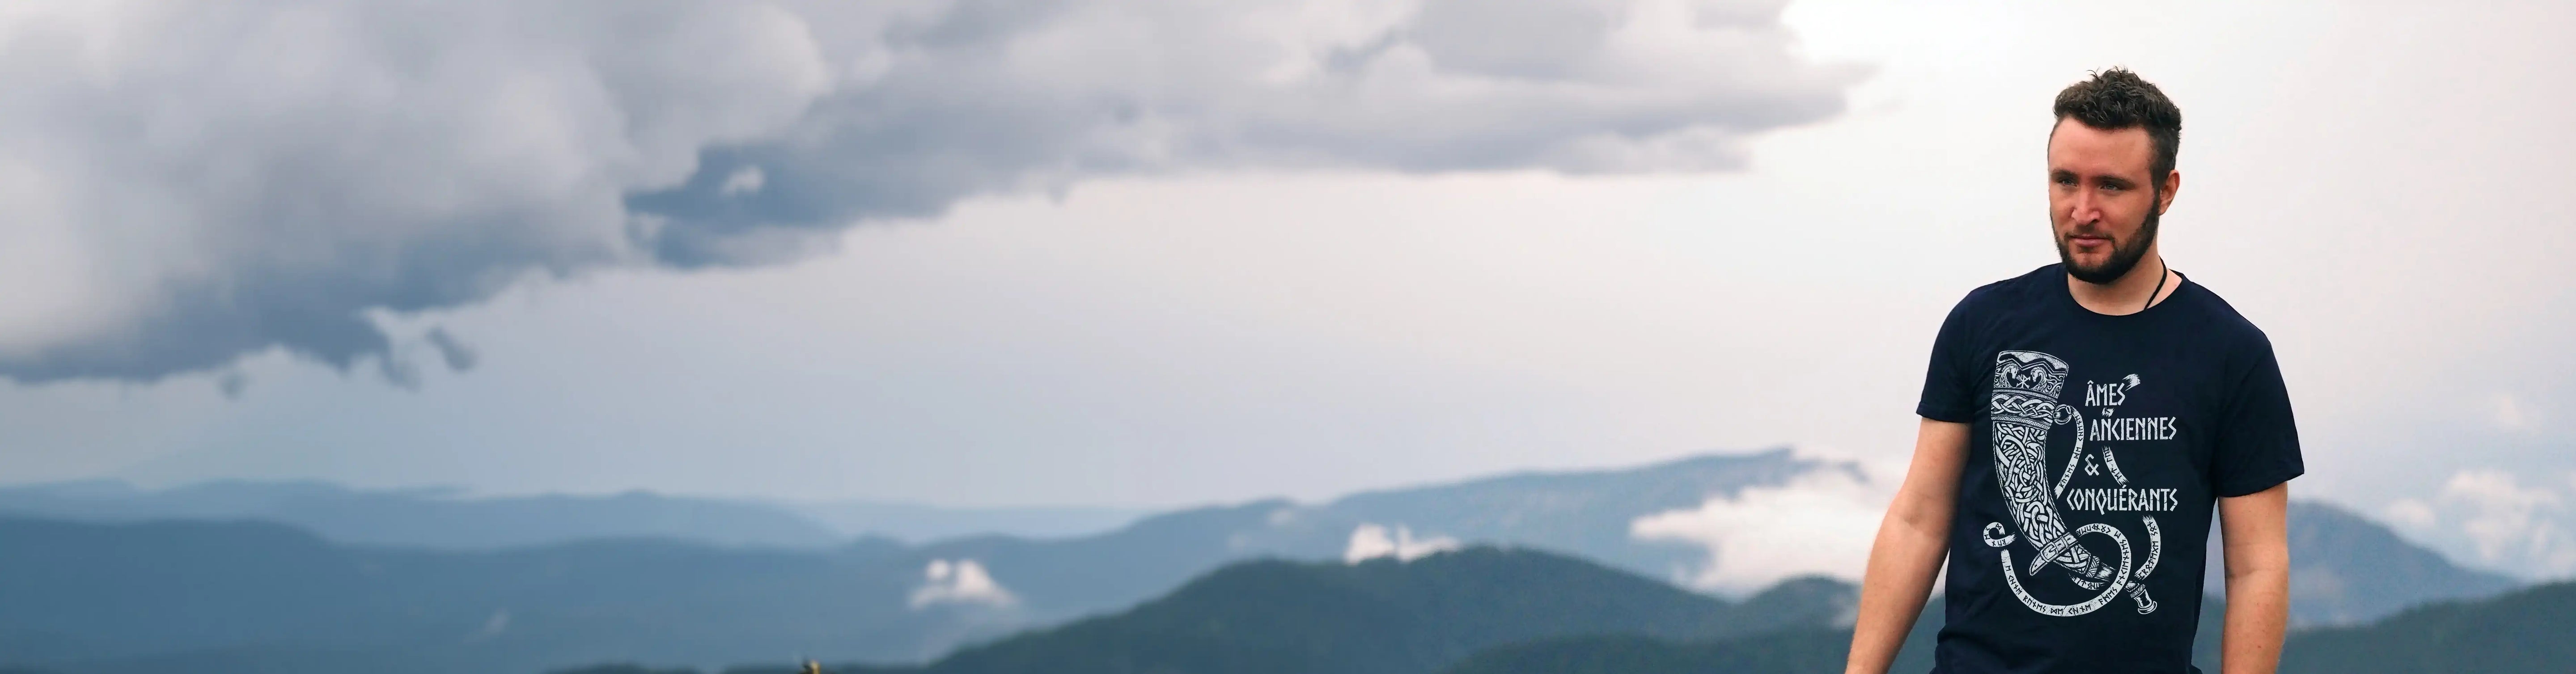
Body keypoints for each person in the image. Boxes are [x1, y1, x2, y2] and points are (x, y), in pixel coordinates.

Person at [1843, 68, 2303, 674]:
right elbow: (1920, 518)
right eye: (2066, 182)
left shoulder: (2231, 353)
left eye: (2111, 187)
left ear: (2166, 192)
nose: (2082, 211)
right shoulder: (1985, 323)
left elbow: (2256, 563)